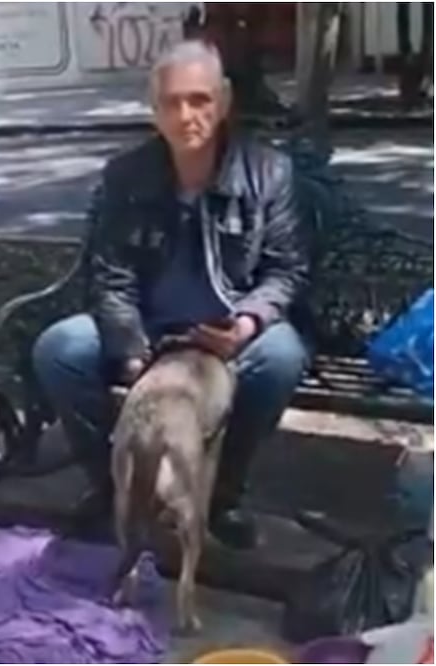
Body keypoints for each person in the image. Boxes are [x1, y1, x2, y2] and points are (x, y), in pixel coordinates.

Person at [31, 39, 309, 550]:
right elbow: (111, 277)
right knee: (60, 350)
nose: (186, 116)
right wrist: (133, 354)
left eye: (199, 100)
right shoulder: (126, 175)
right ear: (154, 110)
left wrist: (246, 324)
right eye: (172, 102)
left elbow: (284, 271)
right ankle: (115, 486)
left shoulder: (268, 172)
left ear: (223, 102)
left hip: (225, 331)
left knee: (282, 356)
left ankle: (221, 497)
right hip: (149, 329)